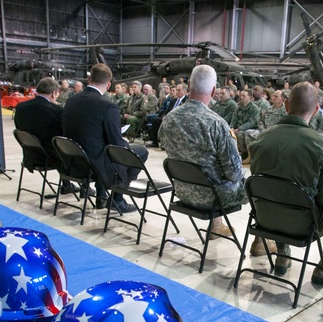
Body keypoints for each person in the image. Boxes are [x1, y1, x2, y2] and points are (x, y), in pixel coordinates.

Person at [249, 82, 323, 284]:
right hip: (302, 225)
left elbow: (260, 183)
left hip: (263, 218)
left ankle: (283, 254)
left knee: (279, 195)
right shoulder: (320, 145)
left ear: (286, 105)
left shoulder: (261, 138)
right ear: (316, 109)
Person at [160, 65, 247, 241]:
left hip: (182, 192)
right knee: (254, 186)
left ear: (190, 84)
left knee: (210, 169)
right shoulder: (217, 124)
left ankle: (216, 226)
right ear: (214, 90)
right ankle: (262, 242)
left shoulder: (169, 119)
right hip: (212, 198)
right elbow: (234, 172)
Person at [62, 64, 149, 215]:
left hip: (73, 160)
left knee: (104, 148)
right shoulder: (108, 106)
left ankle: (102, 196)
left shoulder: (71, 101)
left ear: (89, 79)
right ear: (108, 85)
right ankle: (117, 198)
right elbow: (116, 143)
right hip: (94, 164)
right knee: (139, 151)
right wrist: (124, 142)